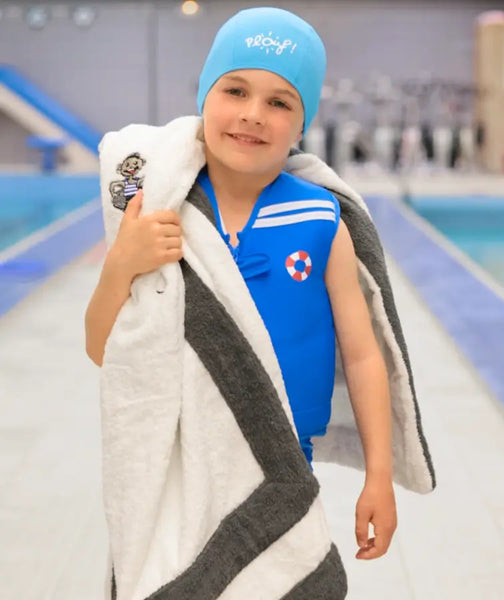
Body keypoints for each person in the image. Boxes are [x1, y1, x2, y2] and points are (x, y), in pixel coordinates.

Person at [85, 6, 397, 562]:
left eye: (279, 102)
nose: (252, 115)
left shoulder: (320, 220)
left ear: (302, 124)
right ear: (204, 98)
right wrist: (121, 265)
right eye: (235, 91)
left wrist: (380, 476)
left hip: (283, 462)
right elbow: (100, 349)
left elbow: (363, 354)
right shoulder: (159, 210)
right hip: (180, 468)